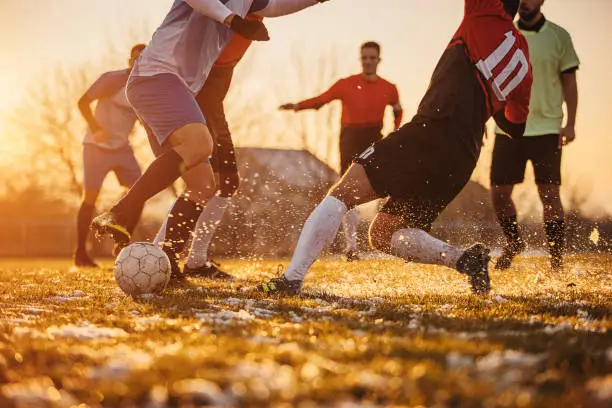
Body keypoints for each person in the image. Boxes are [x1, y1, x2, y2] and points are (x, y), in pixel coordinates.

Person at [260, 0, 532, 296]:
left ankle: (291, 279)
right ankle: (466, 260)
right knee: (383, 234)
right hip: (463, 157)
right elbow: (515, 125)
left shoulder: (483, 11)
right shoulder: (524, 62)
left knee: (341, 195)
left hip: (429, 134)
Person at [91, 0, 331, 275]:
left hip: (176, 89)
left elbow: (276, 6)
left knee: (204, 185)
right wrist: (231, 20)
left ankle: (167, 261)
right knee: (200, 145)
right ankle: (119, 212)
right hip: (156, 77)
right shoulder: (224, 8)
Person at [152, 14, 265, 280]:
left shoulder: (256, 9)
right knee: (200, 184)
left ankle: (196, 261)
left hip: (214, 105)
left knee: (227, 184)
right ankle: (160, 255)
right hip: (194, 101)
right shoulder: (215, 12)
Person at [279, 42, 403, 261]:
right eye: (364, 57)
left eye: (372, 58)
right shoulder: (346, 84)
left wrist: (396, 133)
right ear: (360, 59)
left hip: (374, 137)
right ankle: (352, 246)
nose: (367, 61)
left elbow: (398, 110)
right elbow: (321, 100)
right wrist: (298, 106)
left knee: (385, 183)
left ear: (378, 60)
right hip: (349, 138)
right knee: (349, 191)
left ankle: (390, 234)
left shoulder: (389, 87)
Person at [491, 0, 580, 271]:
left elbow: (569, 83)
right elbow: (491, 82)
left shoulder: (559, 36)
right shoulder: (504, 36)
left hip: (547, 129)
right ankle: (514, 242)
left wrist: (571, 123)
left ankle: (555, 259)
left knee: (549, 193)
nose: (523, 3)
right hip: (508, 127)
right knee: (498, 193)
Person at [74, 44, 146, 267]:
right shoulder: (111, 79)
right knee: (90, 198)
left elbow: (148, 121)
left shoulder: (148, 89)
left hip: (123, 149)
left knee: (140, 191)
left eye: (144, 59)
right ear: (129, 61)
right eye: (135, 59)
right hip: (96, 147)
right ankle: (81, 254)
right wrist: (95, 127)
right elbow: (82, 102)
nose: (139, 63)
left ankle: (121, 245)